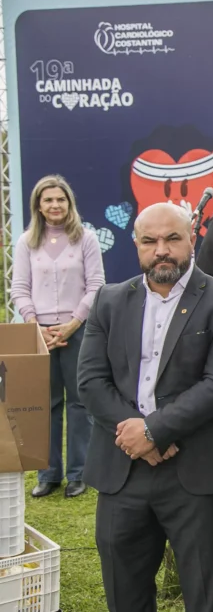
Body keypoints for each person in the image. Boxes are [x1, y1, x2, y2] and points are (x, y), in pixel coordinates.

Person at [78, 202, 213, 612]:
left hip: (198, 470)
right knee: (125, 595)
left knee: (207, 596)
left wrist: (154, 431)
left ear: (192, 238)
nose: (161, 250)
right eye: (149, 241)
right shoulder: (108, 300)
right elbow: (90, 381)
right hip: (123, 469)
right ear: (136, 244)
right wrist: (137, 434)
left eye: (172, 238)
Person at [11, 175, 105, 499]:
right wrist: (35, 323)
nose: (55, 205)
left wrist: (73, 323)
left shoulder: (86, 239)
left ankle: (79, 474)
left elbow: (96, 285)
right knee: (45, 404)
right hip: (40, 333)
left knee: (79, 403)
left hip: (77, 331)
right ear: (38, 205)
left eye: (60, 199)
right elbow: (19, 288)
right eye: (48, 200)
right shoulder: (27, 242)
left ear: (69, 203)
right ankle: (48, 474)